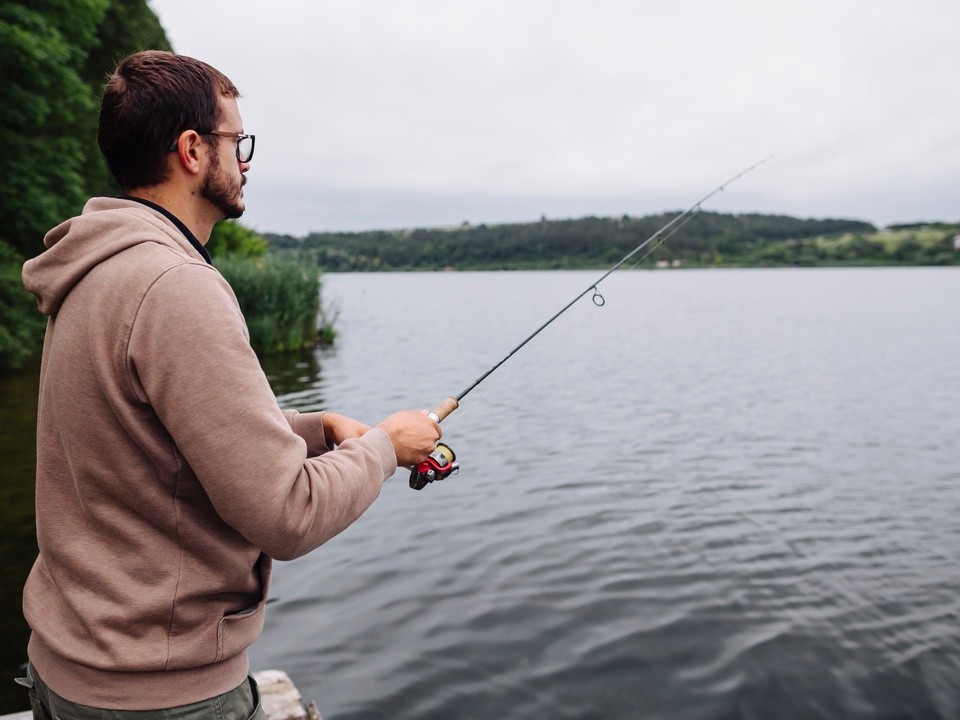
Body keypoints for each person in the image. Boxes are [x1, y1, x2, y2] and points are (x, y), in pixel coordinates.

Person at [19, 50, 441, 718]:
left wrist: (313, 429)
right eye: (235, 141)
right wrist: (387, 445)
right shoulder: (175, 286)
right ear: (191, 150)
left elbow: (142, 440)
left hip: (68, 670)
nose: (245, 160)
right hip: (159, 696)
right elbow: (288, 516)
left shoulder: (92, 268)